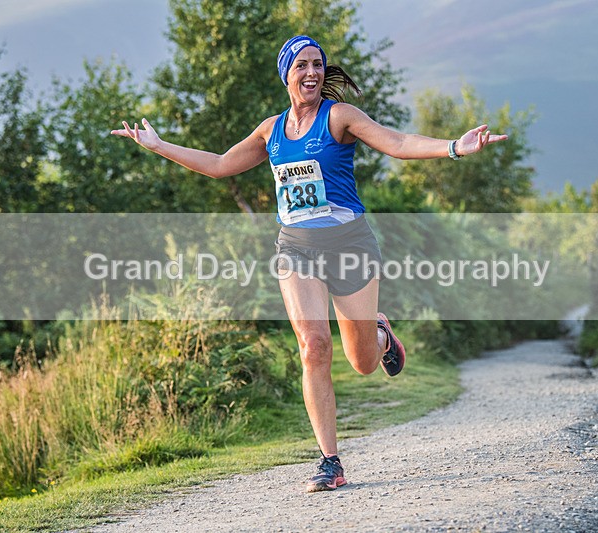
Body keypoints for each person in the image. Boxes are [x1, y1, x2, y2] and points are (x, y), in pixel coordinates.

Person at [111, 35, 507, 493]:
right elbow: (220, 164)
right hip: (296, 248)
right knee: (313, 346)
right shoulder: (270, 131)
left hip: (351, 245)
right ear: (287, 74)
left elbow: (397, 142)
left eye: (318, 64)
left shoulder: (339, 117)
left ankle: (379, 333)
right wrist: (160, 146)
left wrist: (454, 147)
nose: (313, 73)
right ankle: (330, 461)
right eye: (302, 65)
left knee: (360, 362)